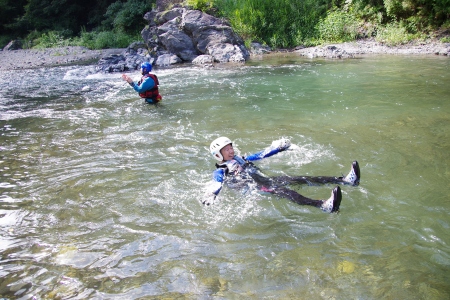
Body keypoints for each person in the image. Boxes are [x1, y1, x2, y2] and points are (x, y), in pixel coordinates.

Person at [203, 136, 360, 213]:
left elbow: (261, 155)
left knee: (301, 179)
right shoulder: (222, 169)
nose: (231, 150)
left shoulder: (240, 159)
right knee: (286, 192)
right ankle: (323, 206)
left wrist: (279, 148)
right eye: (226, 149)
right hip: (258, 189)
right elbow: (217, 182)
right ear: (218, 155)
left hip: (266, 181)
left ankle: (345, 181)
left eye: (231, 147)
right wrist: (212, 194)